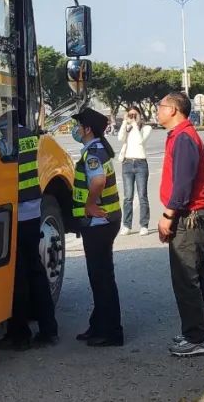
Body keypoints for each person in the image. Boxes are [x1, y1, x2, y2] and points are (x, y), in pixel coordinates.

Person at [0, 132, 58, 351]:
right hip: (33, 210)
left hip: (14, 211)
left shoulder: (2, 136)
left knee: (16, 276)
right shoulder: (31, 136)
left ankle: (18, 334)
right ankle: (48, 330)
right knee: (35, 270)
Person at [156, 91, 204, 357]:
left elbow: (182, 184)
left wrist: (168, 215)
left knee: (186, 278)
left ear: (174, 110)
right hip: (191, 215)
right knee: (194, 276)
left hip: (189, 217)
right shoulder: (180, 136)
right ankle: (198, 330)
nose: (157, 110)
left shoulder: (183, 138)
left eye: (161, 106)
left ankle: (199, 338)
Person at [71, 107, 124, 347]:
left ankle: (110, 331)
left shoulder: (93, 153)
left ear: (88, 129)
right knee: (101, 276)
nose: (75, 129)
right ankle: (98, 325)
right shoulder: (99, 149)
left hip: (98, 222)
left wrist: (90, 204)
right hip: (106, 221)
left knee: (101, 277)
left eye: (78, 125)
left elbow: (98, 180)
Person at [118, 106, 154, 236]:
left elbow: (140, 141)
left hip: (140, 164)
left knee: (142, 195)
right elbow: (120, 138)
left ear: (140, 115)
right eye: (130, 115)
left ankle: (144, 225)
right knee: (128, 197)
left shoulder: (146, 128)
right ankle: (126, 225)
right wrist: (124, 122)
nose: (132, 117)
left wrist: (134, 124)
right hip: (127, 163)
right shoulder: (127, 128)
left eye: (135, 115)